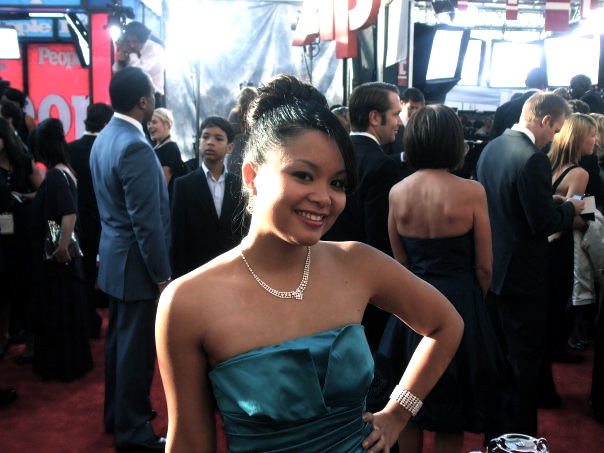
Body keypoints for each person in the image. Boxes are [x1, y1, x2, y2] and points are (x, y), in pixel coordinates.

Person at [156, 73, 464, 453]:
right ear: (252, 176)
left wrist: (399, 411)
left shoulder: (357, 263)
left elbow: (446, 323)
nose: (324, 198)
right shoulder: (187, 301)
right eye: (303, 175)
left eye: (337, 183)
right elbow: (188, 441)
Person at [385, 105, 515, 452]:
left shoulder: (398, 192)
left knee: (408, 401)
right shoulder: (472, 191)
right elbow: (485, 265)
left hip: (413, 306)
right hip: (461, 304)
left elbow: (400, 261)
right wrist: (475, 300)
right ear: (455, 143)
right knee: (452, 411)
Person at [476, 92, 584, 436]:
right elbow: (542, 224)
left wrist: (546, 201)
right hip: (524, 274)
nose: (554, 139)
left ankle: (496, 427)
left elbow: (505, 202)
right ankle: (519, 436)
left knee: (499, 358)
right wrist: (571, 209)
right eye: (555, 131)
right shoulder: (532, 158)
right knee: (525, 361)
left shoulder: (493, 147)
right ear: (544, 121)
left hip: (495, 269)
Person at [90, 67, 171, 452]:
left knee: (119, 348)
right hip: (138, 265)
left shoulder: (104, 138)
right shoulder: (134, 145)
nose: (155, 97)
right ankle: (134, 431)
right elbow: (146, 222)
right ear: (143, 101)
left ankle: (117, 415)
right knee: (135, 353)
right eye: (153, 92)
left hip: (114, 260)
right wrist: (161, 275)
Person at [322, 81, 404, 354]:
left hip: (324, 273)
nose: (400, 122)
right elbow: (379, 238)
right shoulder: (382, 166)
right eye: (395, 114)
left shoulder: (333, 155)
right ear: (374, 117)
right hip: (363, 292)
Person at [29, 118, 93, 381]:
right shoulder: (65, 171)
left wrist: (62, 246)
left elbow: (67, 213)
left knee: (58, 308)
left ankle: (60, 364)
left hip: (58, 254)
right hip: (61, 251)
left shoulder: (55, 175)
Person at [171, 116, 249, 278]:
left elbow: (245, 231)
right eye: (205, 137)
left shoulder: (241, 185)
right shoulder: (183, 185)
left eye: (218, 138)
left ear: (230, 147)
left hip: (232, 270)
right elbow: (178, 237)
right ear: (199, 142)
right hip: (195, 271)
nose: (210, 142)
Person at [66, 102, 114, 338]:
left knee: (81, 274)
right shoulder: (109, 148)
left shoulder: (70, 149)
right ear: (107, 123)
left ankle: (84, 321)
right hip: (106, 223)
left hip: (75, 224)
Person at [0, 116, 42, 364]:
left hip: (24, 236)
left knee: (27, 291)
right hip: (3, 241)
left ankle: (33, 341)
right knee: (4, 294)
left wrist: (23, 198)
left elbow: (43, 193)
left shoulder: (23, 162)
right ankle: (4, 339)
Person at [113, 21, 166, 106]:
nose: (132, 45)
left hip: (152, 98)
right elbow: (117, 73)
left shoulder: (156, 50)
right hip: (133, 97)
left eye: (134, 41)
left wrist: (132, 55)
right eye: (129, 41)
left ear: (144, 39)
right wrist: (121, 61)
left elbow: (140, 73)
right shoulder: (131, 50)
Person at [490, 67, 548, 140]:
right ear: (545, 86)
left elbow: (493, 140)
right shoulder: (551, 110)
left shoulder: (502, 109)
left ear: (526, 82)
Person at [382, 87, 425, 180]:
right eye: (411, 108)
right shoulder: (390, 126)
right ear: (401, 104)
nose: (414, 112)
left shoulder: (423, 128)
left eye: (417, 108)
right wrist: (403, 156)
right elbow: (381, 158)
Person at [147, 107, 186, 199]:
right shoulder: (156, 147)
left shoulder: (170, 148)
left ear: (167, 125)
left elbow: (162, 185)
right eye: (148, 123)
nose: (150, 126)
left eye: (154, 122)